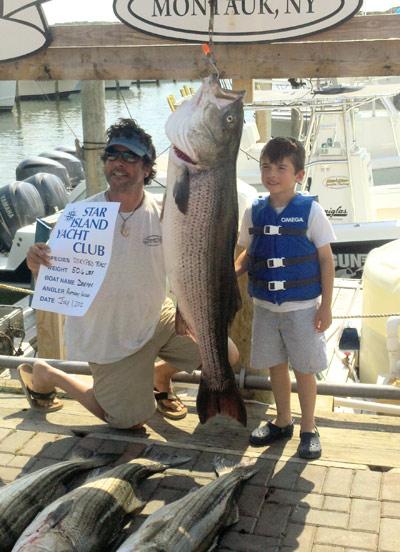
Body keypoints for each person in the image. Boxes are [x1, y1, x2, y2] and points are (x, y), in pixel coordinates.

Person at [20, 118, 217, 430]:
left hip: (156, 319)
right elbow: (51, 280)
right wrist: (35, 262)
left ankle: (160, 375)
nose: (119, 163)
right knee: (127, 422)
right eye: (113, 155)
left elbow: (189, 265)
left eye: (130, 156)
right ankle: (49, 373)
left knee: (224, 356)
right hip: (107, 337)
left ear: (148, 168)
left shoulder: (166, 213)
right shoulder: (80, 216)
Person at [235, 137, 335, 459]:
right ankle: (282, 420)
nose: (272, 174)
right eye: (266, 166)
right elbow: (247, 255)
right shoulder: (254, 211)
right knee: (276, 366)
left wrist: (328, 307)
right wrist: (228, 275)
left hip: (302, 309)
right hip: (264, 307)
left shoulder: (311, 211)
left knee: (304, 368)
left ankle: (309, 427)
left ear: (299, 175)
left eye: (281, 168)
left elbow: (326, 260)